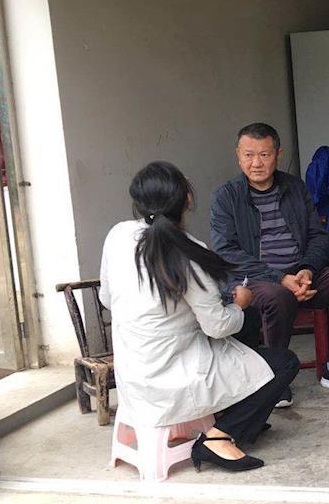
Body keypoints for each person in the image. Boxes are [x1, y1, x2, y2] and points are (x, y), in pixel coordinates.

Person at [100, 161, 300, 473]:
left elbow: (106, 298)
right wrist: (241, 304)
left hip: (133, 374)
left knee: (245, 336)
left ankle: (233, 412)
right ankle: (219, 437)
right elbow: (218, 326)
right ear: (187, 199)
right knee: (283, 362)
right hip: (174, 377)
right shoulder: (189, 251)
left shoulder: (118, 235)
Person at [210, 122, 329, 396]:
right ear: (238, 156)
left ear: (277, 154)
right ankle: (272, 378)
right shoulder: (226, 197)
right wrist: (280, 279)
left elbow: (318, 236)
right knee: (278, 296)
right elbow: (226, 251)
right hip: (257, 280)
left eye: (264, 155)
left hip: (300, 274)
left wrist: (307, 270)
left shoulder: (295, 188)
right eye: (249, 155)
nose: (256, 163)